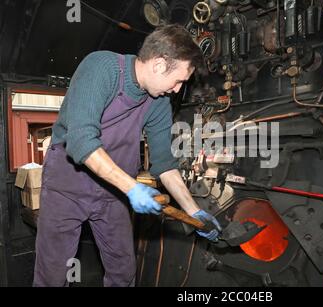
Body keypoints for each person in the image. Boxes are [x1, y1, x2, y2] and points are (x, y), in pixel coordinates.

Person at [33, 24, 221, 287]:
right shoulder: (102, 68)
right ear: (158, 64)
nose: (178, 89)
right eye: (178, 80)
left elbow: (165, 165)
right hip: (68, 186)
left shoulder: (158, 102)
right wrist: (132, 188)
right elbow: (81, 141)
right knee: (53, 276)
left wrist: (194, 211)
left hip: (113, 192)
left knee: (123, 272)